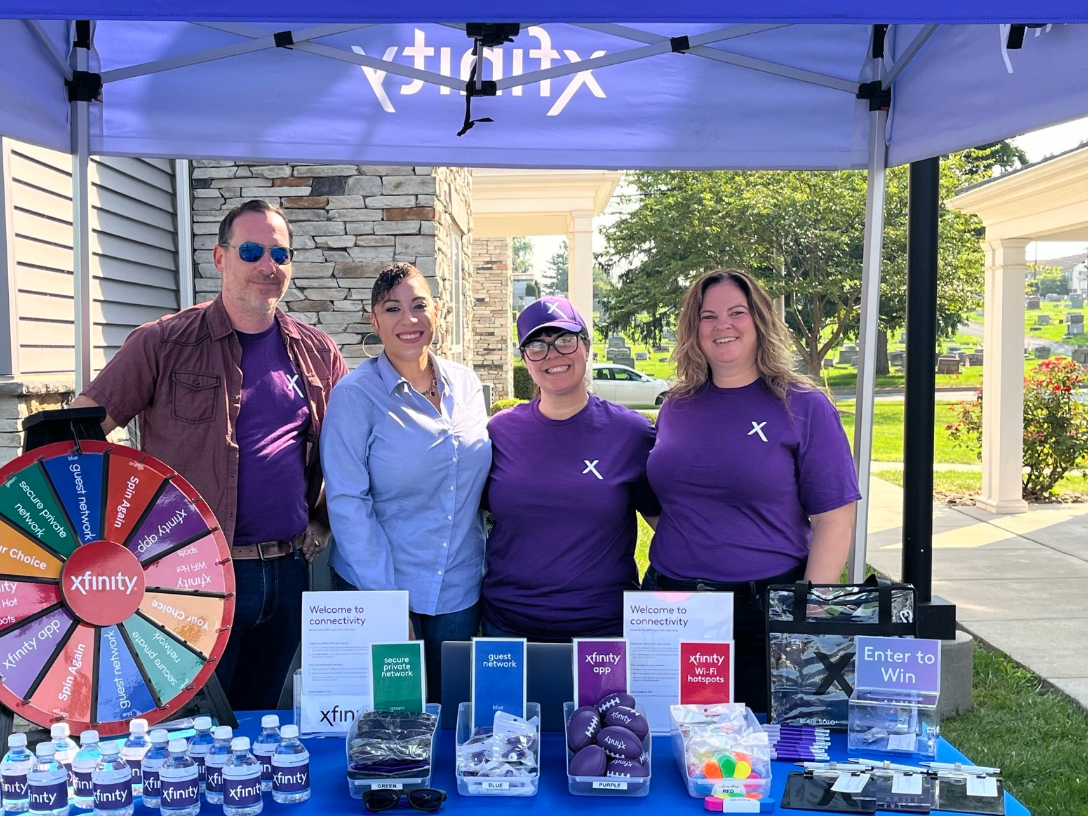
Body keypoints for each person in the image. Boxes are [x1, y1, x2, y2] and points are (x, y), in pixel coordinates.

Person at [73, 198, 346, 711]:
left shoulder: (317, 352)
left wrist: (322, 521)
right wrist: (121, 535)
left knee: (261, 719)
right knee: (189, 724)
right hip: (189, 578)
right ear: (220, 258)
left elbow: (350, 452)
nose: (268, 266)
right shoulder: (162, 343)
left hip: (286, 574)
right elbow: (76, 437)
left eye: (280, 254)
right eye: (251, 251)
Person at [644, 269, 859, 713]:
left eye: (736, 312)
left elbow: (835, 516)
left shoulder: (803, 405)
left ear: (759, 321)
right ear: (693, 330)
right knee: (669, 746)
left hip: (762, 614)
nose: (723, 325)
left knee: (759, 756)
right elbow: (667, 500)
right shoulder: (676, 406)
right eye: (708, 316)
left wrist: (810, 609)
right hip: (671, 608)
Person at [322, 263, 492, 699]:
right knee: (391, 726)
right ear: (374, 320)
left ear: (438, 310)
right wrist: (387, 603)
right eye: (393, 308)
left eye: (419, 305)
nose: (409, 319)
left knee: (454, 718)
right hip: (381, 584)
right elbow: (347, 502)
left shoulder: (468, 385)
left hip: (459, 586)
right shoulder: (355, 396)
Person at [481, 296, 658, 640]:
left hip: (602, 631)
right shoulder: (499, 432)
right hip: (506, 628)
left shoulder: (630, 433)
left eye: (564, 340)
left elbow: (669, 527)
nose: (553, 355)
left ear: (586, 346)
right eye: (537, 345)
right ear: (525, 359)